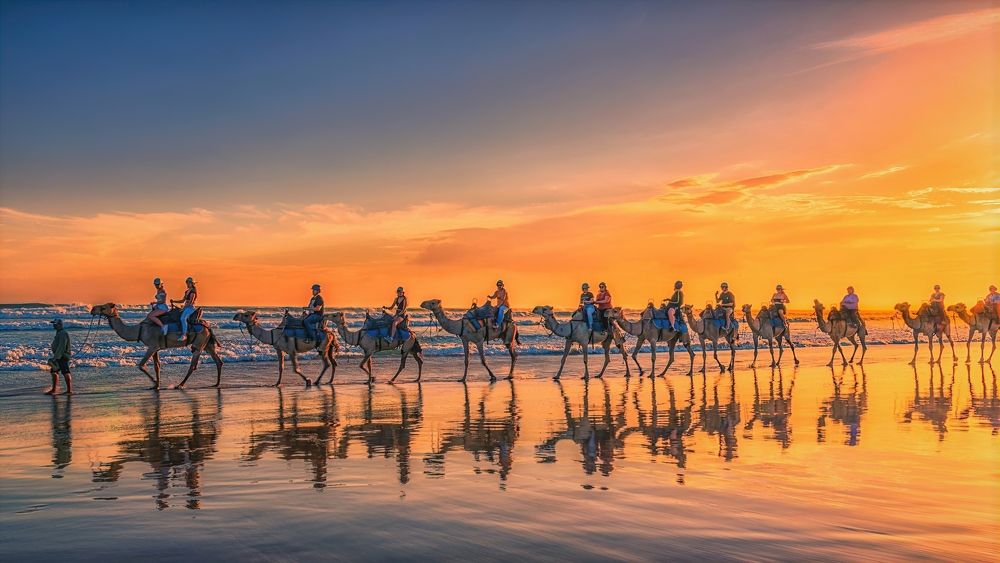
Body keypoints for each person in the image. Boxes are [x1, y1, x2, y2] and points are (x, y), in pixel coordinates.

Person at [45, 319, 72, 395]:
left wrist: (55, 358)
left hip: (62, 356)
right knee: (54, 372)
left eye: (55, 324)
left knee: (66, 372)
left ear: (60, 325)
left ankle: (69, 390)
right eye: (54, 324)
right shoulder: (59, 333)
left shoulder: (63, 333)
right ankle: (54, 389)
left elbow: (62, 347)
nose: (54, 325)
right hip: (58, 356)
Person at [171, 277, 198, 343]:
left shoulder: (193, 292)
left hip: (190, 308)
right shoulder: (186, 291)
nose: (187, 284)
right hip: (186, 307)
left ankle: (184, 335)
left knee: (183, 318)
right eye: (187, 283)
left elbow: (191, 302)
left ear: (192, 283)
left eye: (189, 283)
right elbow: (183, 300)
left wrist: (184, 307)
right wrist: (174, 301)